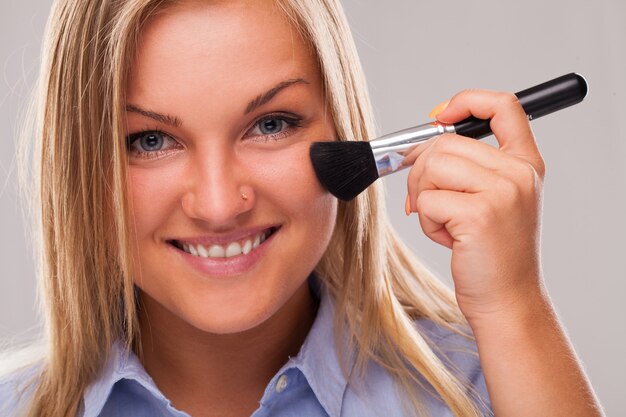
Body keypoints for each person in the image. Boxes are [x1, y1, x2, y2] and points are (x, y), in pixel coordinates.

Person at [0, 0, 604, 416]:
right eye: (150, 141)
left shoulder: (480, 384)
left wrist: (513, 307)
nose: (217, 205)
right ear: (78, 167)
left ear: (344, 128)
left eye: (270, 124)